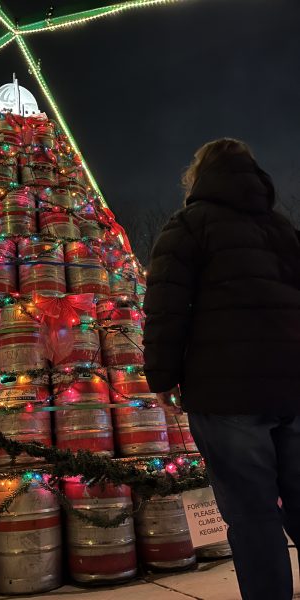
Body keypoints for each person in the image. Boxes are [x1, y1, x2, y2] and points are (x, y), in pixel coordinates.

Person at [143, 138, 300, 600]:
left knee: (252, 514)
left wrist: (162, 377)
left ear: (197, 176)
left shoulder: (188, 227)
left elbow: (167, 309)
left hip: (225, 396)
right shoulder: (284, 230)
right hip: (294, 390)